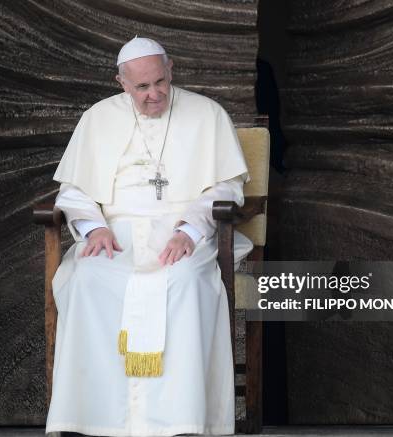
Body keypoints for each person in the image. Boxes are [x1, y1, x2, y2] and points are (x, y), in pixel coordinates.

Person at [45, 36, 252, 436]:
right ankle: (94, 420)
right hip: (116, 234)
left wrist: (191, 228)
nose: (154, 94)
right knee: (88, 278)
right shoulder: (97, 118)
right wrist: (95, 227)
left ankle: (181, 421)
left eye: (160, 81)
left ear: (170, 69)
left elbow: (226, 189)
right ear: (121, 83)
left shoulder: (208, 114)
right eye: (142, 87)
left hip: (186, 233)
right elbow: (73, 192)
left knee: (186, 280)